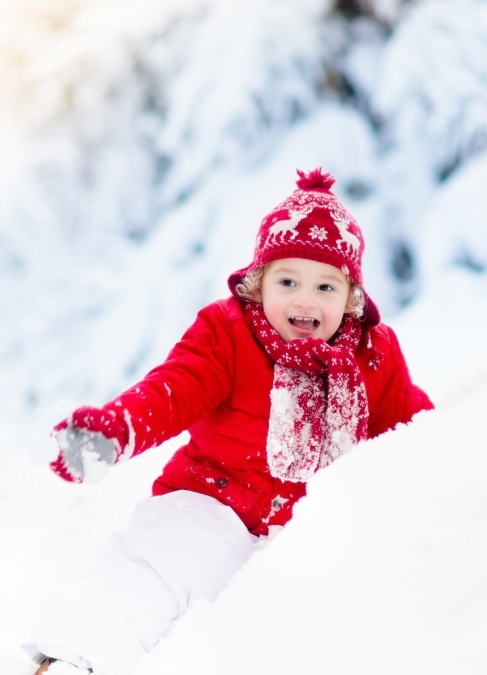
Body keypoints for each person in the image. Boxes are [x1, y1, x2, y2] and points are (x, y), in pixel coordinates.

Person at [24, 168, 432, 675]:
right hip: (212, 501)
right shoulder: (228, 332)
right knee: (162, 561)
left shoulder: (374, 357)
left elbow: (417, 435)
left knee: (313, 616)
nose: (305, 300)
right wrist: (116, 429)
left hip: (308, 530)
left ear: (350, 297)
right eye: (288, 282)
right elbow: (173, 389)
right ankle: (75, 657)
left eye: (326, 286)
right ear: (259, 285)